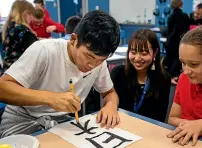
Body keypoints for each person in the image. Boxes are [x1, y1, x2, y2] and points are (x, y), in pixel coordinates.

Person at [0, 10, 120, 138]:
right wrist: (50, 98)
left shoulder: (98, 64)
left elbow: (109, 93)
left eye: (101, 60)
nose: (92, 65)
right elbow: (3, 88)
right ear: (74, 39)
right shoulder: (44, 50)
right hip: (23, 118)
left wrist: (111, 106)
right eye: (88, 56)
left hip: (60, 121)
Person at [111, 29, 171, 122]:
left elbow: (160, 117)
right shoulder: (118, 74)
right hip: (120, 126)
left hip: (148, 130)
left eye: (144, 53)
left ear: (155, 53)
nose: (137, 58)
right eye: (133, 52)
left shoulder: (163, 79)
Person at [2, 0, 37, 71]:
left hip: (7, 70)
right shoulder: (23, 31)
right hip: (20, 73)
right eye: (29, 14)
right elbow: (37, 51)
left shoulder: (8, 27)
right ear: (23, 13)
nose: (31, 17)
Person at [163, 0, 190, 84]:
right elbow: (186, 31)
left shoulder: (170, 17)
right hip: (180, 41)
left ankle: (169, 77)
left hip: (170, 41)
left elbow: (169, 30)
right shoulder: (185, 16)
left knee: (170, 59)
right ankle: (175, 77)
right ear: (181, 5)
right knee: (178, 59)